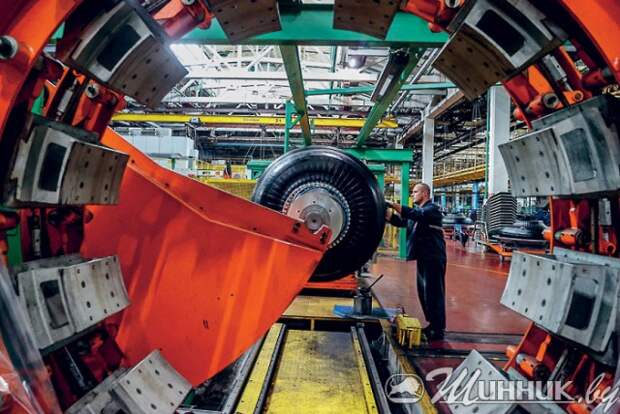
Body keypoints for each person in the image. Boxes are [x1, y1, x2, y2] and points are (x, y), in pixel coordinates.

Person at [386, 183, 447, 341]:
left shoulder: (432, 209)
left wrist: (392, 204)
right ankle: (432, 324)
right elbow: (402, 222)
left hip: (433, 257)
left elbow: (415, 214)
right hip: (424, 257)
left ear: (425, 193)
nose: (412, 194)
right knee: (424, 292)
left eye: (415, 192)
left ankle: (438, 329)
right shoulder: (419, 213)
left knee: (434, 292)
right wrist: (386, 213)